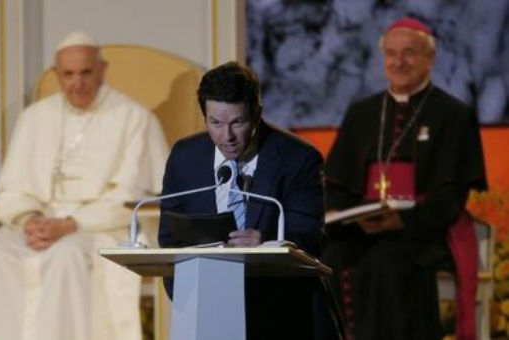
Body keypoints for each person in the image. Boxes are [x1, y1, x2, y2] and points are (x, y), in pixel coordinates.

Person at [0, 31, 169, 340]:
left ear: (102, 69)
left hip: (97, 229)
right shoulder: (35, 117)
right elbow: (12, 189)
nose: (77, 83)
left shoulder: (133, 118)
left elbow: (132, 196)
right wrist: (29, 220)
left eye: (85, 73)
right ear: (56, 74)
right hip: (36, 226)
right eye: (68, 74)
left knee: (64, 258)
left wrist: (69, 224)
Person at [323, 18, 487, 340]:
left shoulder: (454, 114)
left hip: (426, 231)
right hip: (365, 227)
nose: (399, 62)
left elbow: (452, 196)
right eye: (391, 53)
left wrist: (402, 221)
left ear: (430, 59)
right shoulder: (361, 113)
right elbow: (336, 184)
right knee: (329, 257)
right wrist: (349, 218)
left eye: (409, 53)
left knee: (387, 261)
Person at [157, 61, 325, 339]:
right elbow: (170, 239)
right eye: (216, 123)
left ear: (257, 114)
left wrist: (266, 244)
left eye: (238, 122)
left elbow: (310, 239)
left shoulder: (298, 159)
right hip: (203, 306)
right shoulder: (185, 157)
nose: (228, 136)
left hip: (278, 309)